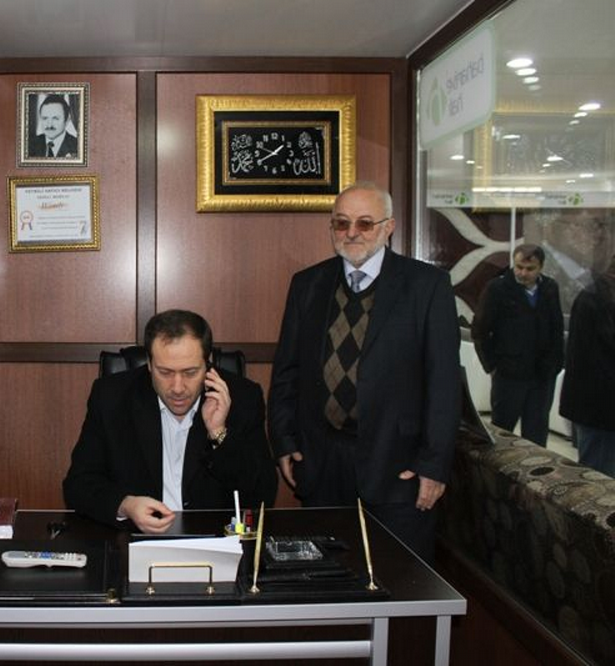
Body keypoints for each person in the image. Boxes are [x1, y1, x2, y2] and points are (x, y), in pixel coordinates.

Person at [267, 182, 460, 561]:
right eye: (341, 223)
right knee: (326, 577)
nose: (351, 232)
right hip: (322, 464)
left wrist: (433, 465)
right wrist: (284, 442)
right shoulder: (308, 284)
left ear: (389, 227)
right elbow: (287, 372)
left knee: (399, 577)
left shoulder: (427, 286)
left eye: (365, 223)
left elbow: (444, 384)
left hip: (398, 466)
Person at [63, 309, 278, 534]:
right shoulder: (111, 397)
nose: (177, 388)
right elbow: (78, 485)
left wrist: (218, 433)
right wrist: (125, 505)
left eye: (190, 372)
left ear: (208, 364)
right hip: (134, 540)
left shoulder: (242, 398)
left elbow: (262, 495)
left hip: (215, 539)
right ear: (149, 364)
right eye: (165, 372)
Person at [470, 244, 565, 446]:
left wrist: (555, 365)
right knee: (502, 432)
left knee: (537, 433)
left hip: (542, 375)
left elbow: (556, 328)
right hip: (508, 374)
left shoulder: (550, 288)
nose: (523, 273)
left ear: (541, 268)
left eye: (530, 269)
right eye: (519, 267)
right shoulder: (497, 288)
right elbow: (480, 330)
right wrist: (492, 366)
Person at [560, 255, 615, 476]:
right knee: (596, 476)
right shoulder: (596, 299)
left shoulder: (599, 295)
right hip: (599, 408)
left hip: (599, 406)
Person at [27, 94, 78, 158]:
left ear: (67, 121)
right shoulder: (29, 145)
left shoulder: (78, 146)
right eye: (45, 118)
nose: (49, 125)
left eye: (55, 118)